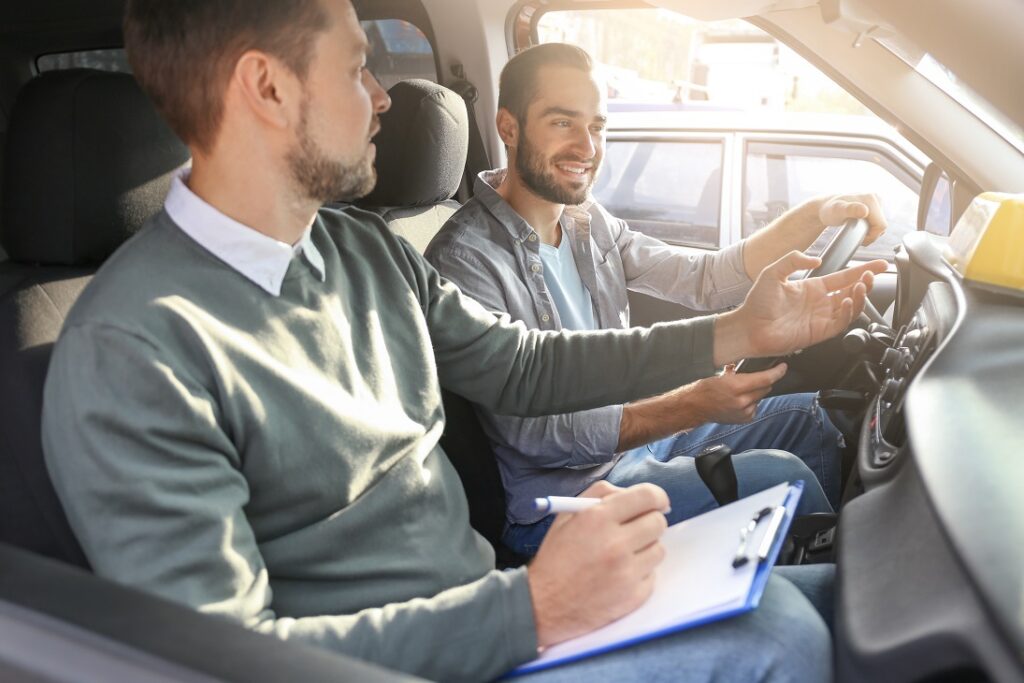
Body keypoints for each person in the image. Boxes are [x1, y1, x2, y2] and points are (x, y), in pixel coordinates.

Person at [41, 2, 884, 681]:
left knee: (860, 601)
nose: (382, 97)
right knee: (784, 632)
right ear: (267, 88)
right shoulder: (133, 348)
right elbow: (222, 658)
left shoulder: (360, 249)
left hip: (489, 606)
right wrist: (536, 607)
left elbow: (522, 362)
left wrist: (737, 330)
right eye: (358, 65)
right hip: (438, 651)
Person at [425, 43, 887, 556]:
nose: (587, 146)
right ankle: (808, 594)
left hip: (629, 449)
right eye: (563, 123)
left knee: (812, 422)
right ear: (508, 128)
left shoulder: (586, 222)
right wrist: (689, 404)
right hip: (565, 500)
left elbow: (707, 278)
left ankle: (801, 565)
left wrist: (820, 213)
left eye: (597, 127)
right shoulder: (464, 261)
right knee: (784, 478)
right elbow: (541, 436)